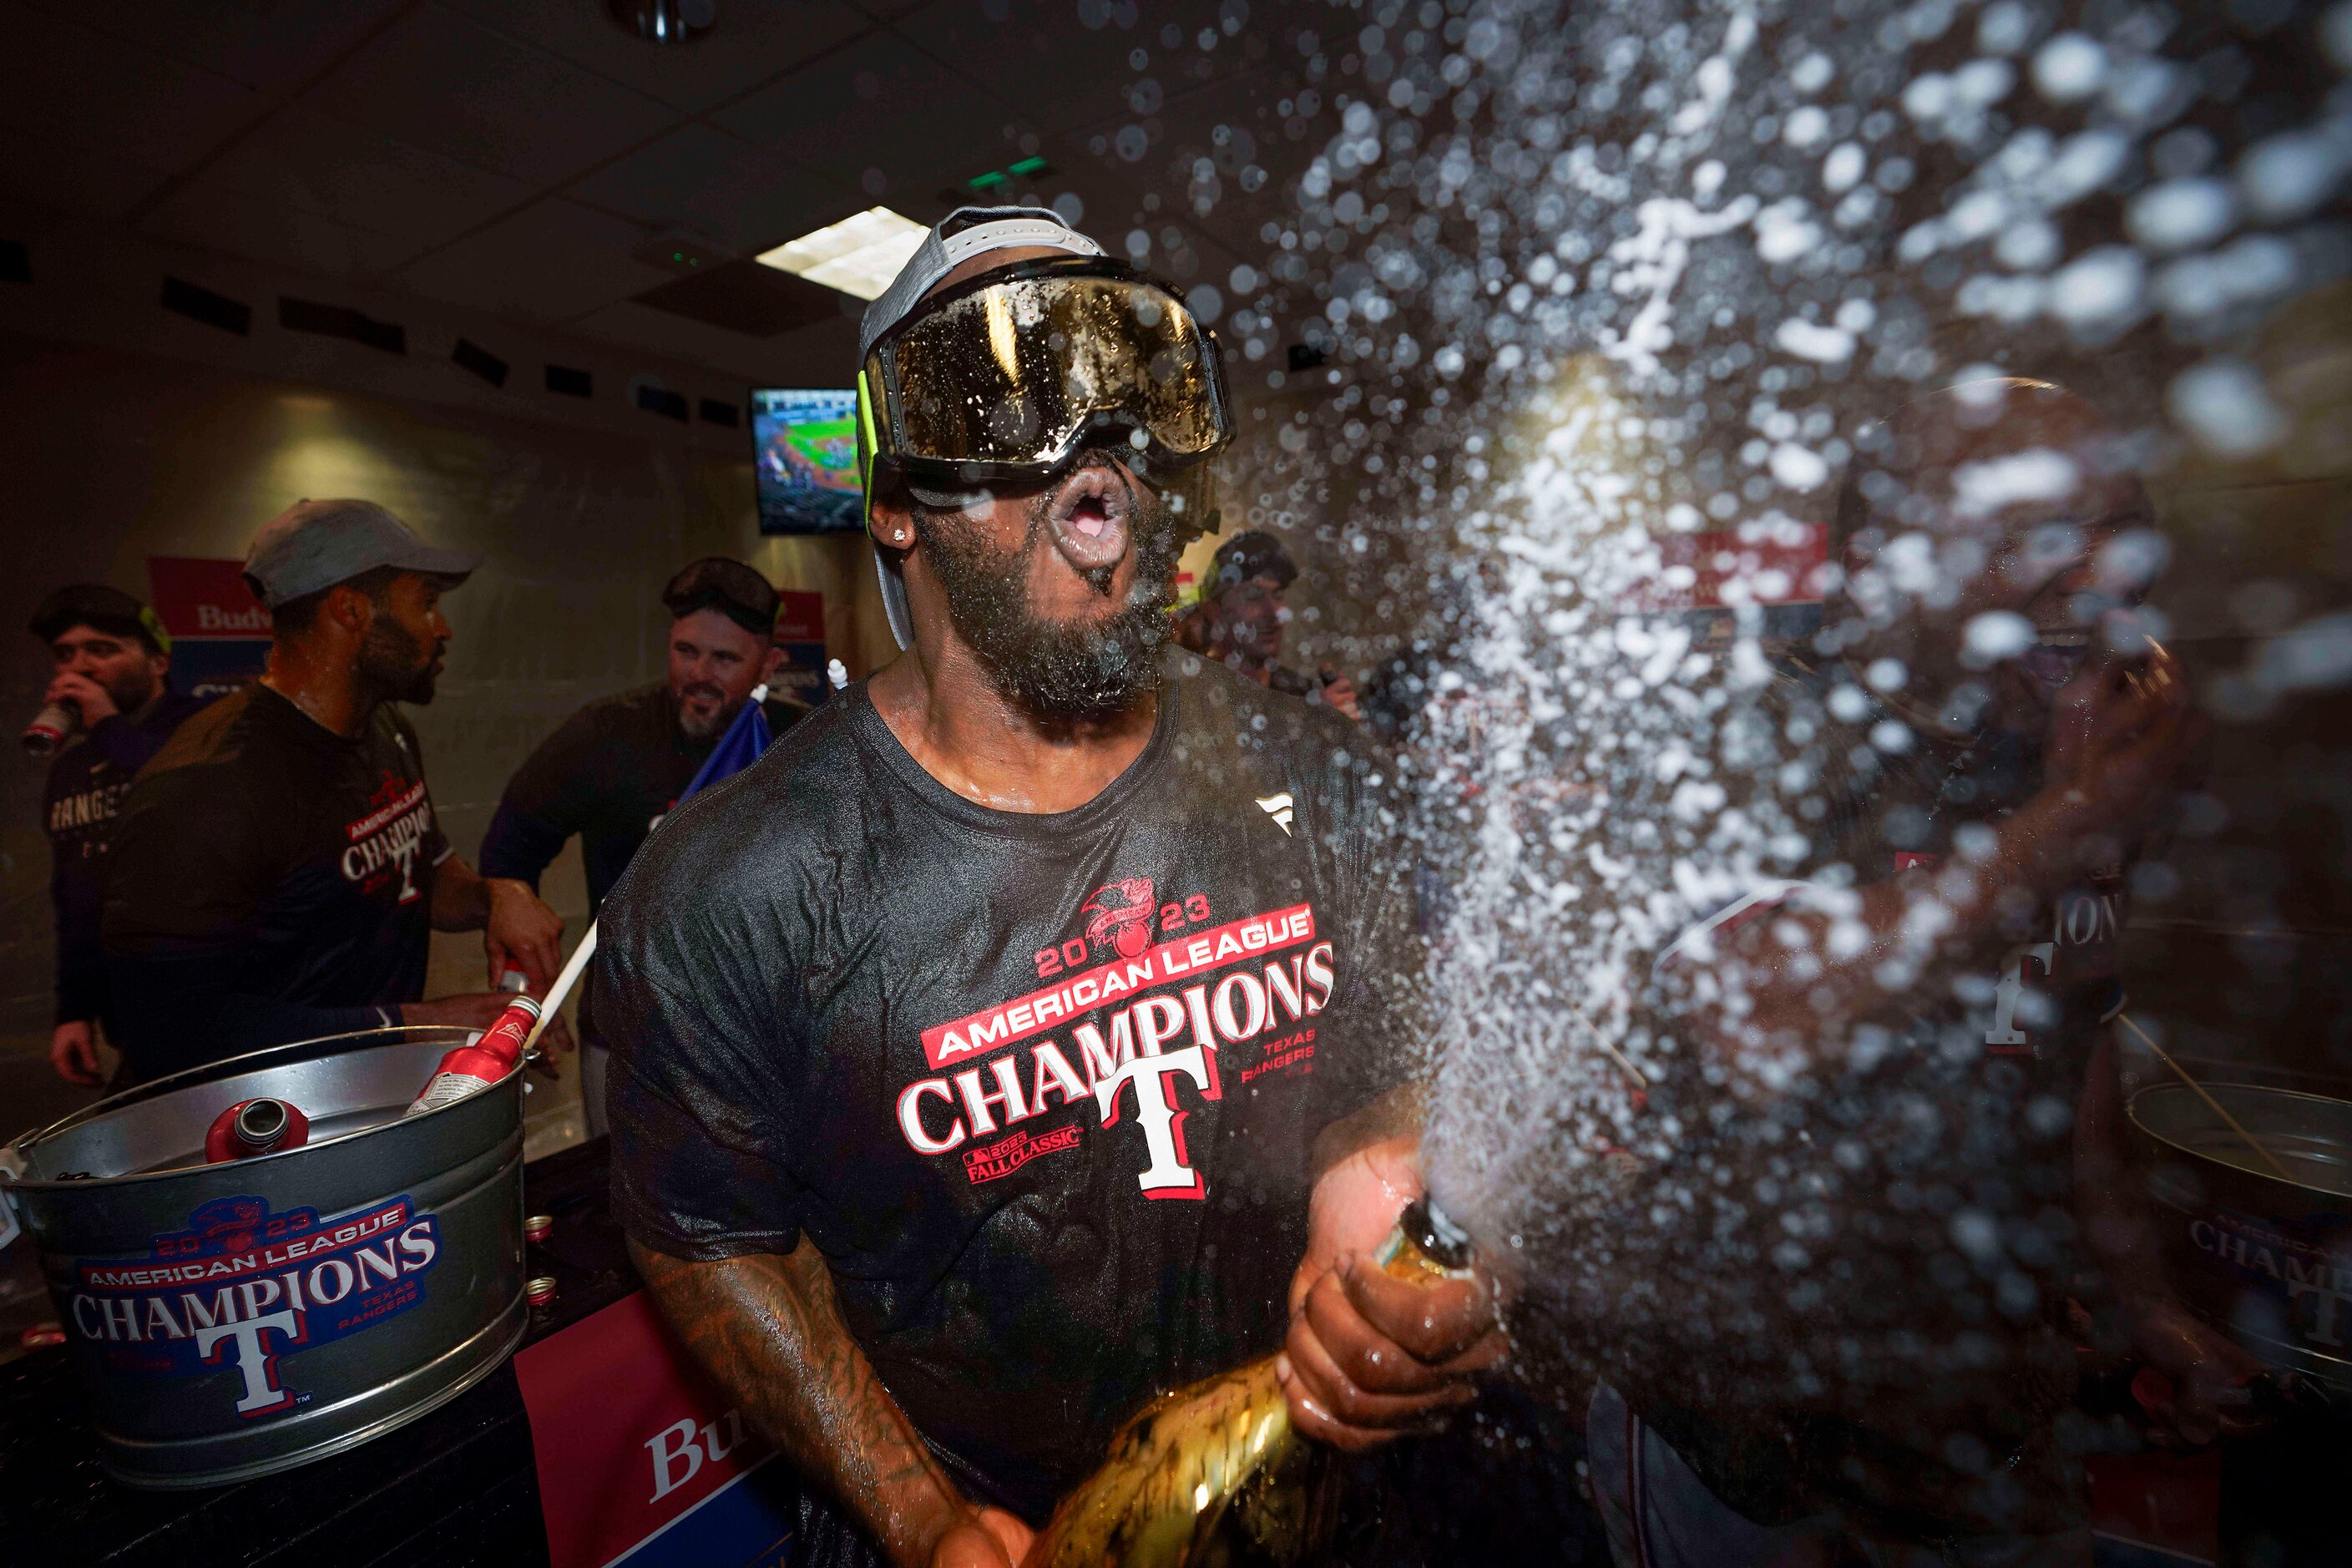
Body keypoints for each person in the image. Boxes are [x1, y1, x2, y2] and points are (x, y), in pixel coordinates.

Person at [597, 207, 1497, 1568]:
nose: (1095, 452)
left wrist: (1379, 1189)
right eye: (1001, 394)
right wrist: (914, 1510)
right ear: (893, 501)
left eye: (1127, 387)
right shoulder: (734, 882)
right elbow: (711, 1233)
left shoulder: (1316, 773)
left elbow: (1389, 1058)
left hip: (1306, 1493)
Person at [1578, 380, 2256, 1565]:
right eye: (2037, 532)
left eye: (2119, 526)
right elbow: (1753, 1017)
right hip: (1751, 1453)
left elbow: (2066, 1043)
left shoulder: (2051, 755)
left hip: (1975, 1435)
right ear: (1888, 562)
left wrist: (2142, 1298)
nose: (2100, 575)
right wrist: (2078, 817)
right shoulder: (1747, 730)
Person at [102, 499, 567, 1083]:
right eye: (425, 603)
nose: (442, 628)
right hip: (252, 1135)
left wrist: (496, 896)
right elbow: (171, 1036)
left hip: (360, 1099)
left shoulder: (383, 727)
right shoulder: (205, 789)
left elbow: (418, 872)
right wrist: (413, 1024)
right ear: (350, 611)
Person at [479, 557, 807, 1133]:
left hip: (768, 1034)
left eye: (725, 658)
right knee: (622, 1205)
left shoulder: (803, 741)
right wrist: (516, 941)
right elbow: (510, 850)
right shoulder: (606, 735)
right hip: (627, 1037)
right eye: (686, 651)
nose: (700, 673)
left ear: (768, 663)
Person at [28, 585, 210, 1086]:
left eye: (102, 650)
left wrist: (107, 724)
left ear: (157, 661)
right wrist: (74, 1010)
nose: (79, 667)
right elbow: (74, 894)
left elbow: (185, 795)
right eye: (66, 655)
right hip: (127, 1016)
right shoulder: (72, 767)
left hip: (213, 999)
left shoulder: (203, 725)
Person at [1175, 530, 1363, 719]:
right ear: (1214, 611)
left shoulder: (1302, 692)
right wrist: (1313, 726)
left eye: (1278, 596)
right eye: (1254, 596)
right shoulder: (1191, 695)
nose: (1274, 613)